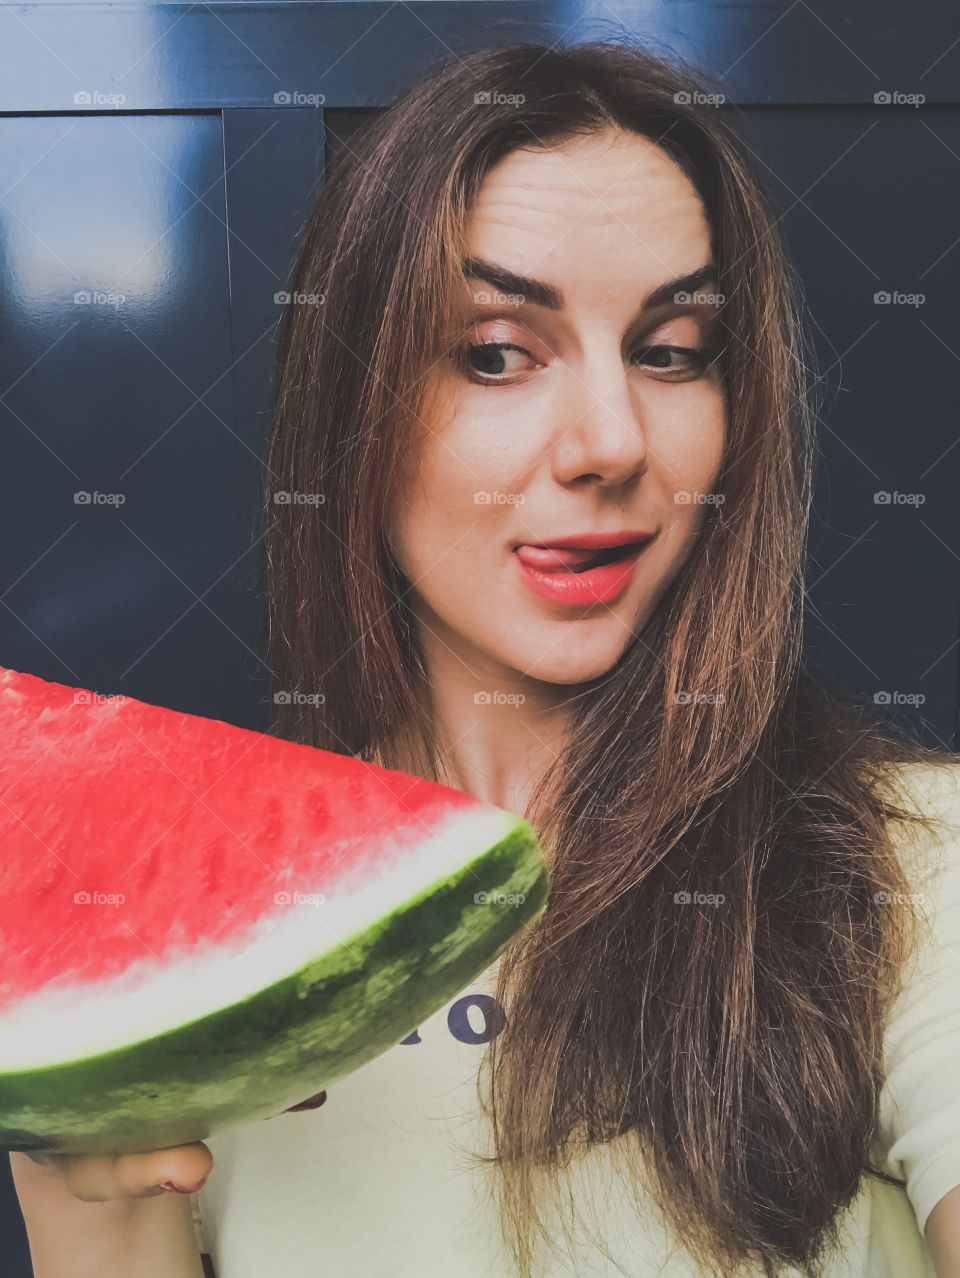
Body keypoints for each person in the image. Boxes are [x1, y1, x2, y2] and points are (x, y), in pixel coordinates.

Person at [11, 37, 960, 1278]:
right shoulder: (163, 937)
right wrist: (85, 1177)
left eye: (672, 351)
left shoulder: (916, 865)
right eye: (497, 351)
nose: (612, 442)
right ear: (355, 407)